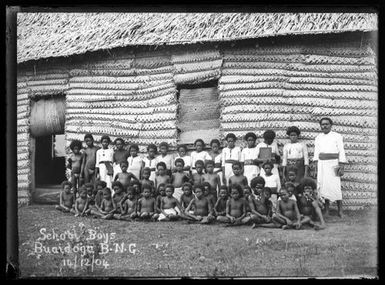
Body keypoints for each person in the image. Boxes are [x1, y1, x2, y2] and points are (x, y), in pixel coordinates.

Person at [313, 117, 347, 218]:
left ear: (331, 125)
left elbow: (341, 151)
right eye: (322, 124)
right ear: (320, 126)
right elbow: (316, 153)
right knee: (324, 187)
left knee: (336, 186)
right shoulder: (318, 137)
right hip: (322, 164)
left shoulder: (337, 136)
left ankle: (340, 210)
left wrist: (342, 165)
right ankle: (326, 210)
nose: (324, 126)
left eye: (327, 124)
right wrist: (316, 167)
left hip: (334, 164)